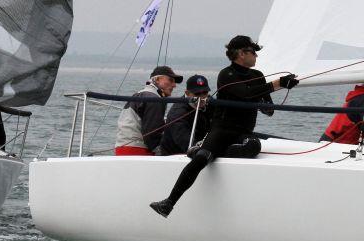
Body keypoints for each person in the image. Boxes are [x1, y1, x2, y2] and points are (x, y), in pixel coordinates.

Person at [149, 35, 299, 218]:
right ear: (242, 54)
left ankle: (212, 151)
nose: (256, 56)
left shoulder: (257, 76)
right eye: (253, 52)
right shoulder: (226, 75)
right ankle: (168, 203)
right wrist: (277, 84)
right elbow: (245, 94)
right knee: (202, 160)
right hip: (222, 129)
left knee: (254, 146)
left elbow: (267, 109)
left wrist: (281, 89)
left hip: (242, 131)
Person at [115, 65, 182, 156]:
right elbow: (152, 136)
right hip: (137, 151)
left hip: (122, 148)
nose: (174, 85)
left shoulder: (140, 94)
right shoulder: (154, 99)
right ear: (157, 80)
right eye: (170, 80)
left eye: (175, 82)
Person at [158, 74, 212, 156]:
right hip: (175, 156)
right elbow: (185, 142)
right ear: (187, 93)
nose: (202, 97)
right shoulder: (178, 113)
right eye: (197, 94)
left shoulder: (210, 103)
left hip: (202, 146)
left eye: (205, 92)